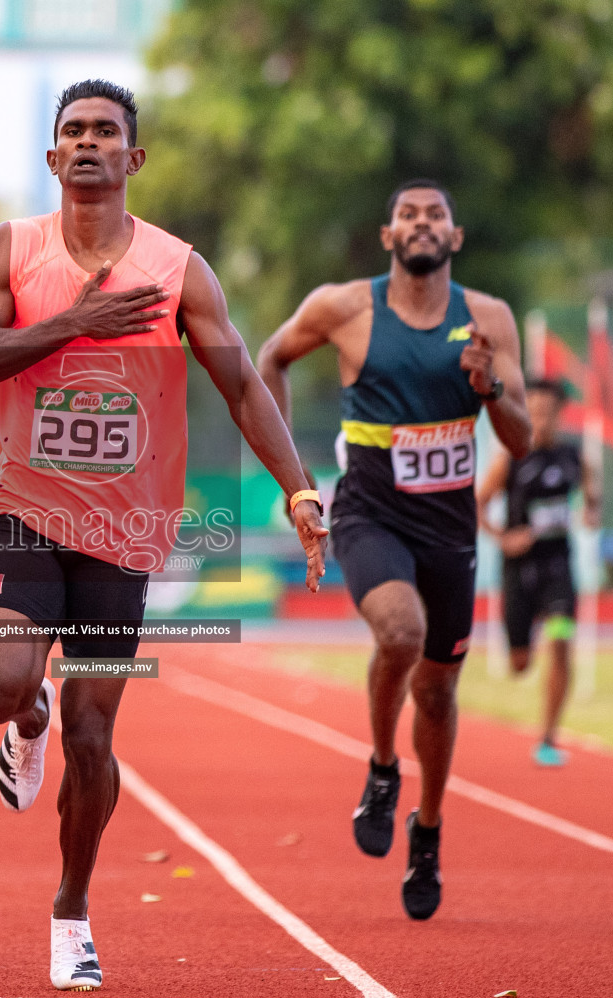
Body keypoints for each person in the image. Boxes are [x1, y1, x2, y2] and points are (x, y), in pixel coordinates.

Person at [0, 79, 327, 990]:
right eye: (71, 130)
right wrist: (71, 323)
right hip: (26, 509)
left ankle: (71, 911)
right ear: (52, 157)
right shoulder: (15, 249)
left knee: (92, 738)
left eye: (105, 131)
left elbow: (241, 385)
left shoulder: (177, 268)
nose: (87, 143)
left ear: (132, 157)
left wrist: (300, 491)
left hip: (124, 534)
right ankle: (21, 720)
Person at [256, 180, 531, 921]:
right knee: (400, 632)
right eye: (407, 215)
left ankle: (429, 830)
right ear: (388, 236)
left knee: (439, 692)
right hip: (371, 513)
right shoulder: (344, 307)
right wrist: (299, 480)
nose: (420, 224)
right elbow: (268, 361)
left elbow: (522, 435)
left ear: (455, 235)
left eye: (434, 214)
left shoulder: (490, 319)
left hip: (450, 528)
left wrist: (492, 384)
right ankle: (383, 769)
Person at [477, 377, 601, 768]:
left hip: (557, 566)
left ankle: (548, 736)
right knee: (520, 663)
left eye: (548, 412)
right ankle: (521, 649)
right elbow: (475, 506)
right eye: (533, 412)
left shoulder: (573, 457)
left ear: (561, 415)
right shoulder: (509, 460)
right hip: (519, 570)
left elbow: (592, 495)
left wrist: (591, 511)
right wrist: (502, 538)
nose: (541, 420)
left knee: (561, 640)